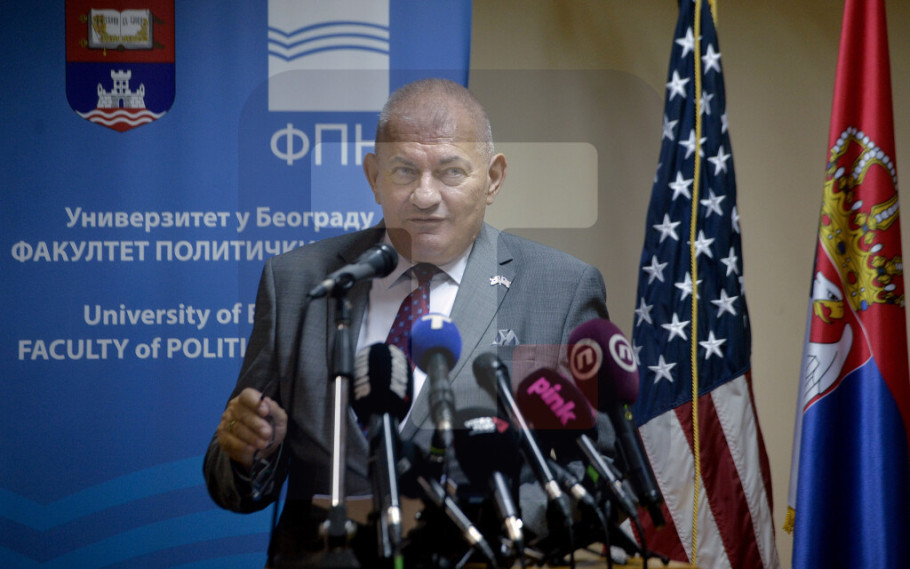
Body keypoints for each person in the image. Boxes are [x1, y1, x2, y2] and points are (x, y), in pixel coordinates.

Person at [203, 78, 610, 564]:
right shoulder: (296, 282)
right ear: (374, 177)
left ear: (493, 178)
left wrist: (483, 520)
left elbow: (601, 475)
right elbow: (233, 483)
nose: (424, 196)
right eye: (403, 171)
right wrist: (251, 450)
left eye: (451, 172)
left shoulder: (558, 290)